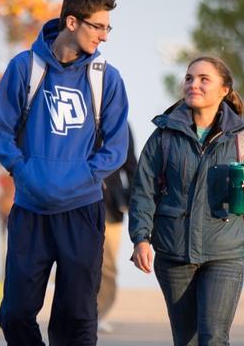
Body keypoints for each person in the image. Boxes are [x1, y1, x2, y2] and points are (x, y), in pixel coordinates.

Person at [0, 0, 130, 345]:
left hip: (81, 212)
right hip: (30, 210)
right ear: (72, 22)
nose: (104, 36)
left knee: (77, 318)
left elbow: (116, 147)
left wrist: (83, 177)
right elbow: (2, 132)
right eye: (98, 27)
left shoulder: (106, 78)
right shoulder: (25, 67)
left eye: (107, 29)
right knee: (15, 313)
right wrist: (23, 172)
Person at [128, 56, 244, 346]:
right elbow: (143, 190)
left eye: (204, 79)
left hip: (225, 252)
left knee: (213, 338)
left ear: (224, 90)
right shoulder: (164, 136)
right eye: (189, 78)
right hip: (174, 253)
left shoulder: (242, 138)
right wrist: (140, 239)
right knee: (187, 340)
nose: (193, 84)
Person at [98, 126, 137, 333]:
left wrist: (133, 201)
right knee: (78, 262)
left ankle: (99, 313)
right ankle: (79, 312)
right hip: (75, 200)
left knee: (108, 265)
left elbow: (131, 165)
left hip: (110, 206)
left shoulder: (120, 123)